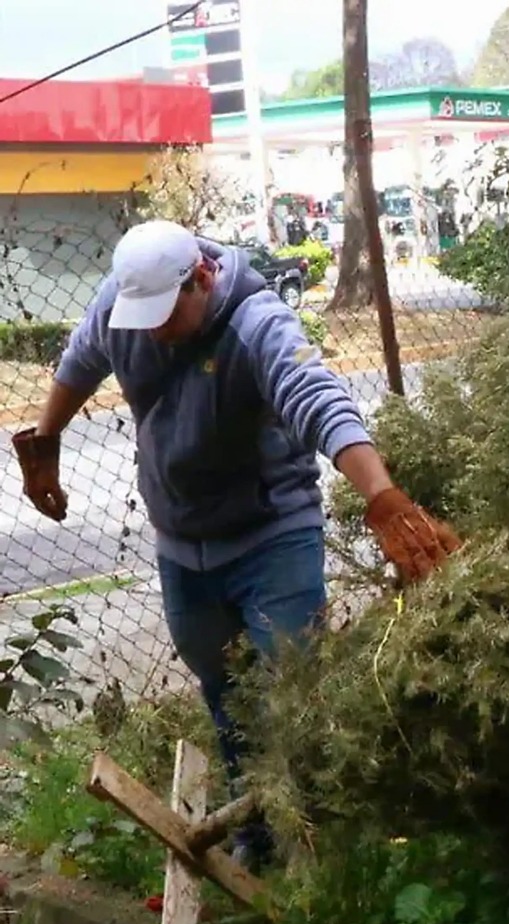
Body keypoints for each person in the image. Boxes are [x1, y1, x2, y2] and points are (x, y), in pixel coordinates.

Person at [10, 220, 461, 869]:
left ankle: (320, 847)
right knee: (225, 693)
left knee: (288, 686)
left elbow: (319, 400)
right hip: (182, 541)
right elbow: (82, 359)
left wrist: (382, 496)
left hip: (270, 533)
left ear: (203, 278)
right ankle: (261, 837)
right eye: (144, 318)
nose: (153, 330)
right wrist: (45, 443)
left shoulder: (257, 322)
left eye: (167, 315)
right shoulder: (125, 302)